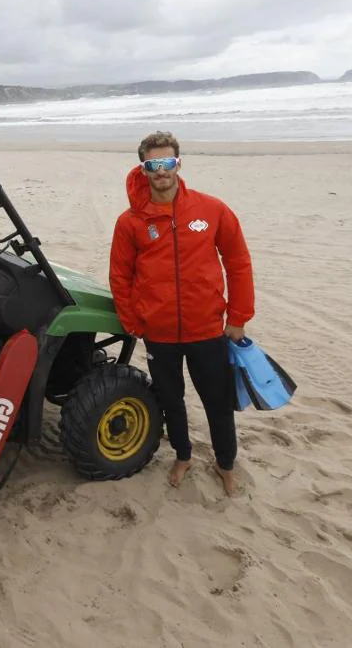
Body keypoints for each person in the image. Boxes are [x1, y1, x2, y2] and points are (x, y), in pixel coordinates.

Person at [108, 131, 254, 497]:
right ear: (143, 169)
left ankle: (225, 464)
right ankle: (183, 455)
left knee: (217, 402)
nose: (162, 171)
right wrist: (133, 322)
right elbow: (120, 276)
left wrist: (238, 318)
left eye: (168, 162)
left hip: (207, 329)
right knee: (170, 399)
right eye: (153, 164)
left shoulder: (212, 210)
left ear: (178, 164)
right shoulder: (130, 222)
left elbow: (238, 262)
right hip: (158, 332)